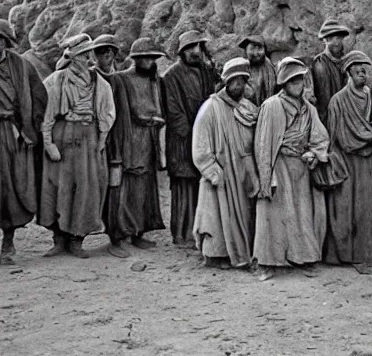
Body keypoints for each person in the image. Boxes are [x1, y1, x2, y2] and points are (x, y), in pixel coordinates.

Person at [39, 34, 116, 258]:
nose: (87, 58)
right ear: (72, 57)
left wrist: (100, 142)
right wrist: (49, 144)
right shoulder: (56, 80)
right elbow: (47, 115)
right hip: (62, 135)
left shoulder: (99, 83)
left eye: (88, 54)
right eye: (82, 55)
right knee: (57, 187)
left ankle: (77, 239)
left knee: (87, 188)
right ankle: (59, 239)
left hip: (88, 137)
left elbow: (107, 115)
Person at [253, 57, 329, 281]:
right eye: (294, 81)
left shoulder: (308, 108)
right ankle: (267, 262)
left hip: (300, 168)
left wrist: (314, 153)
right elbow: (264, 144)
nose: (300, 85)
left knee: (302, 214)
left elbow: (320, 137)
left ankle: (303, 257)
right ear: (284, 83)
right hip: (279, 165)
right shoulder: (272, 106)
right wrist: (267, 176)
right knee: (272, 215)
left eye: (301, 80)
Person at [0, 19, 47, 265]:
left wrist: (29, 127)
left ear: (4, 42)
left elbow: (38, 95)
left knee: (14, 185)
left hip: (15, 133)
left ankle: (9, 239)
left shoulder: (22, 66)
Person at [192, 58, 259, 269]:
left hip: (242, 174)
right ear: (226, 82)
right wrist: (213, 172)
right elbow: (200, 146)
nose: (238, 85)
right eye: (234, 81)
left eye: (242, 80)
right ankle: (216, 256)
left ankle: (240, 253)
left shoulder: (247, 107)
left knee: (243, 219)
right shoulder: (210, 108)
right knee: (216, 219)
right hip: (220, 174)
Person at [105, 38, 166, 258]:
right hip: (127, 141)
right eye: (146, 58)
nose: (150, 62)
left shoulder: (155, 81)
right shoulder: (120, 79)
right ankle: (117, 236)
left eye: (152, 58)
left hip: (148, 140)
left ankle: (138, 231)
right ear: (136, 59)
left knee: (144, 188)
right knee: (122, 189)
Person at [324, 51, 372, 266]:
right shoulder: (337, 101)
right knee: (343, 209)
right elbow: (332, 137)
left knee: (366, 209)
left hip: (367, 162)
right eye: (357, 68)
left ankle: (364, 256)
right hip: (345, 161)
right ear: (348, 71)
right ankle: (340, 255)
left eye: (365, 68)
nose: (362, 72)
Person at [163, 30, 218, 247]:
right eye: (191, 48)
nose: (195, 52)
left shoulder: (206, 70)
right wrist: (192, 134)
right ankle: (180, 234)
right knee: (182, 188)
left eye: (198, 47)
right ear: (182, 51)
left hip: (202, 138)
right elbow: (174, 111)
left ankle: (198, 231)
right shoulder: (171, 76)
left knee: (199, 186)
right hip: (182, 140)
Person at [311, 20, 351, 127]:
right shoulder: (320, 63)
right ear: (326, 40)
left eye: (339, 38)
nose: (336, 43)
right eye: (331, 39)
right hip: (327, 118)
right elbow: (324, 99)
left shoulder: (345, 61)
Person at [238, 35, 276, 106]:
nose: (256, 53)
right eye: (252, 49)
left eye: (259, 49)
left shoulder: (270, 69)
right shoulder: (239, 69)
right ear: (246, 50)